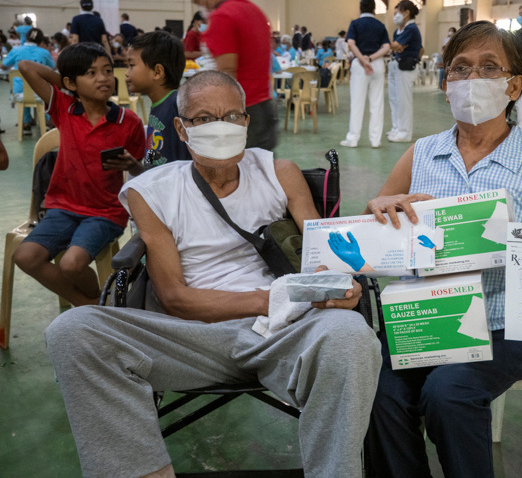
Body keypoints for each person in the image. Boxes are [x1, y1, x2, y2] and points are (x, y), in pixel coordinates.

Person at [43, 70, 381, 478]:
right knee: (72, 330)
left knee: (350, 334)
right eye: (203, 119)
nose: (220, 127)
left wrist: (334, 285)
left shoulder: (279, 172)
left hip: (283, 334)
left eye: (232, 116)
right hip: (193, 337)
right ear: (182, 131)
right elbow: (175, 298)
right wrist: (274, 297)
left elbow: (321, 253)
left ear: (246, 122)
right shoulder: (151, 190)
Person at [364, 20, 522, 478]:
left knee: (449, 392)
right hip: (427, 317)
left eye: (489, 67)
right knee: (377, 393)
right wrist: (380, 207)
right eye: (460, 68)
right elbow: (379, 226)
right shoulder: (421, 153)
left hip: (504, 323)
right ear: (446, 84)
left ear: (514, 86)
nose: (472, 80)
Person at [13, 43, 144, 306]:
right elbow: (26, 67)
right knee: (25, 256)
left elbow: (142, 174)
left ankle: (93, 302)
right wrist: (67, 83)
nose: (104, 78)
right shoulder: (64, 108)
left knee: (72, 265)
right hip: (62, 208)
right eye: (92, 73)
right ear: (71, 82)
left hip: (105, 213)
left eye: (107, 70)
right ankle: (89, 303)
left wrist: (131, 165)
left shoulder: (128, 121)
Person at [189, 0, 277, 151]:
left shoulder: (222, 16)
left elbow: (227, 71)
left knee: (236, 173)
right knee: (261, 169)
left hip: (239, 112)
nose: (202, 8)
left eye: (198, 1)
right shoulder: (254, 10)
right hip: (264, 105)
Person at [125, 31, 189, 165]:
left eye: (131, 65)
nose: (126, 73)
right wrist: (137, 168)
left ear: (157, 72)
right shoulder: (158, 103)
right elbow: (154, 152)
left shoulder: (176, 104)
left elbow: (185, 161)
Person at [341, 0, 391, 149]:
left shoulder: (355, 24)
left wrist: (363, 60)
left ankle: (353, 139)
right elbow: (386, 47)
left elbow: (350, 43)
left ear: (360, 8)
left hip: (360, 66)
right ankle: (375, 140)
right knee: (377, 103)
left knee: (357, 102)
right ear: (374, 9)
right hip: (377, 64)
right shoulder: (380, 25)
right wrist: (371, 58)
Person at [0, 28, 55, 135]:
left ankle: (26, 124)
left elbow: (3, 66)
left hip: (20, 93)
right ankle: (47, 122)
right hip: (40, 93)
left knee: (23, 88)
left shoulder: (16, 50)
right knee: (41, 93)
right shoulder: (44, 52)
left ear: (26, 37)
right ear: (41, 41)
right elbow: (52, 67)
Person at [387, 0, 423, 143]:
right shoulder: (399, 30)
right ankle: (396, 127)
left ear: (406, 13)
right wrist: (396, 47)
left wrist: (395, 46)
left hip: (406, 67)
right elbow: (397, 47)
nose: (395, 16)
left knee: (403, 101)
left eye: (398, 13)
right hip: (396, 64)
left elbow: (396, 46)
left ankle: (404, 132)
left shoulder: (411, 29)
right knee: (394, 99)